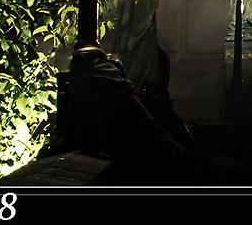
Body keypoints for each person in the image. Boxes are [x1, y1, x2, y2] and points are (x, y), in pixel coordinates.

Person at [60, 46, 189, 182]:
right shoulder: (116, 84)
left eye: (72, 69)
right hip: (169, 157)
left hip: (155, 166)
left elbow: (90, 142)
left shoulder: (93, 88)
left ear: (79, 69)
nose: (69, 77)